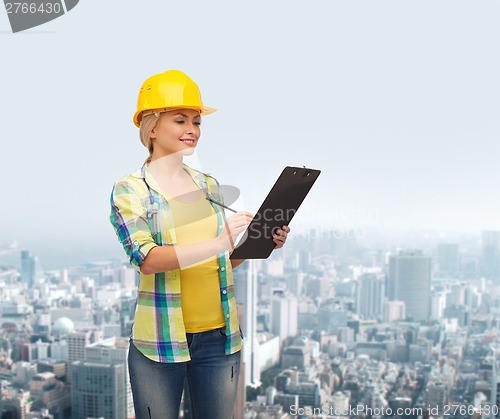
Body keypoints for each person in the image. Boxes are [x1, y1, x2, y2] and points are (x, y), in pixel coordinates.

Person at [109, 69, 290, 419]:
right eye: (180, 120)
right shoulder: (131, 189)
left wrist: (262, 243)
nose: (192, 129)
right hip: (160, 344)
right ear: (151, 125)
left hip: (220, 340)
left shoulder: (208, 185)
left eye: (196, 121)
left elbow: (222, 261)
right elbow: (147, 258)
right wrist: (220, 241)